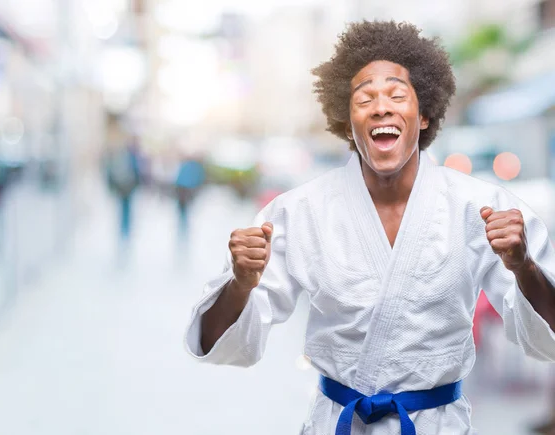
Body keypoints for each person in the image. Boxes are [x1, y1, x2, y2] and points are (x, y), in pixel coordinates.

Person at [184, 21, 555, 434]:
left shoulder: (482, 208)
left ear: (425, 114)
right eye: (365, 99)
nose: (381, 107)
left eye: (397, 95)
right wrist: (240, 282)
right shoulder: (297, 213)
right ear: (347, 122)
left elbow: (547, 338)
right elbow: (220, 343)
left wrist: (524, 267)